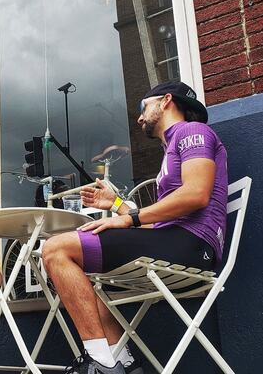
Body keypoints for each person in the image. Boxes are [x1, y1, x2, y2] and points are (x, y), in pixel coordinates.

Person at [41, 81, 227, 374]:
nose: (140, 117)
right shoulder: (172, 147)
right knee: (73, 268)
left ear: (166, 101)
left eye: (144, 107)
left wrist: (129, 218)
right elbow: (157, 225)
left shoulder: (193, 132)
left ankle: (101, 363)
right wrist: (116, 204)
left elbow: (196, 194)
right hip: (175, 241)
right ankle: (123, 362)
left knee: (55, 249)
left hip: (192, 246)